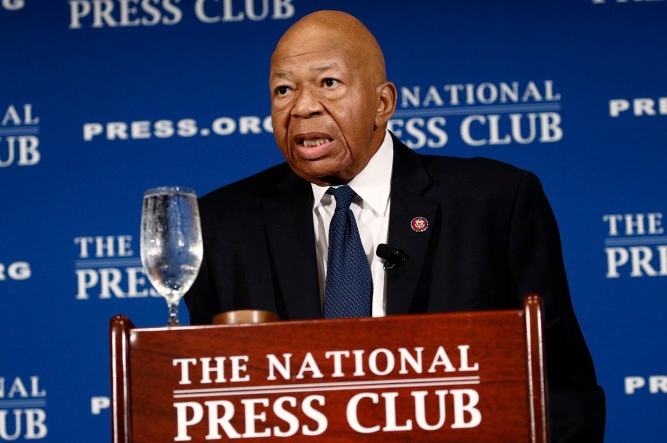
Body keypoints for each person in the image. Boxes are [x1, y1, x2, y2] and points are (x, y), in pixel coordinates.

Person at [185, 10, 605, 441]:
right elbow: (205, 401)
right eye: (283, 89)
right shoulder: (224, 225)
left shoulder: (494, 203)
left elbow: (560, 391)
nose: (303, 106)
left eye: (328, 83)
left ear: (383, 103)